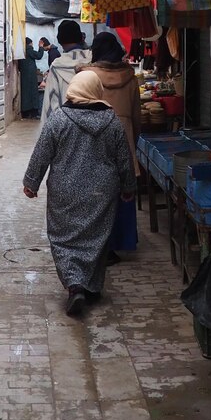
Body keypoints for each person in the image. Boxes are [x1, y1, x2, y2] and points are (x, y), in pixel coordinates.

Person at [23, 70, 136, 316]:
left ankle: (76, 286)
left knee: (64, 239)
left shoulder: (59, 119)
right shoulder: (111, 121)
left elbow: (42, 152)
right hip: (102, 193)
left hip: (65, 191)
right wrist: (129, 187)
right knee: (97, 238)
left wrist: (31, 183)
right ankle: (91, 286)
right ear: (96, 90)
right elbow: (124, 159)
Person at [80, 32, 142, 263]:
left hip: (95, 137)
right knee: (122, 190)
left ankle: (96, 244)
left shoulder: (86, 76)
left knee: (96, 194)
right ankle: (120, 242)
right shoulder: (130, 77)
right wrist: (133, 140)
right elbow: (137, 115)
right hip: (123, 135)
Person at [41, 20, 91, 124]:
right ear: (81, 38)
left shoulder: (56, 66)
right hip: (93, 123)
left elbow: (49, 104)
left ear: (60, 40)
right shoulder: (93, 59)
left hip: (66, 126)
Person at [18, 37, 44, 119]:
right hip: (31, 76)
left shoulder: (21, 51)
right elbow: (39, 56)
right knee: (33, 93)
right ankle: (33, 111)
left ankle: (25, 111)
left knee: (25, 93)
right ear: (29, 43)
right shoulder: (29, 50)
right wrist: (41, 47)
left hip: (24, 75)